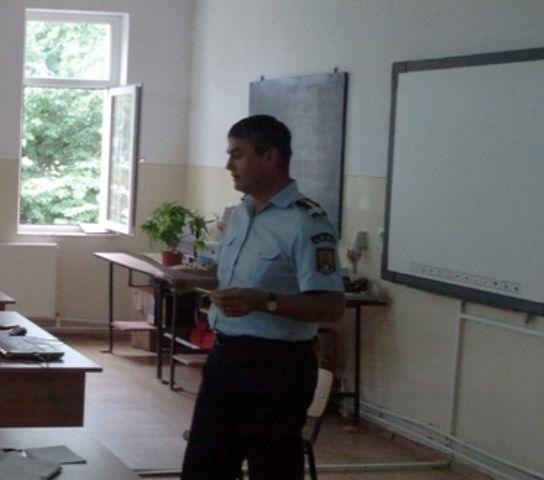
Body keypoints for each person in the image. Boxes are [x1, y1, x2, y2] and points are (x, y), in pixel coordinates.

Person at [181, 115, 345, 480]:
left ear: (270, 157)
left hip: (277, 368)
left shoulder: (306, 222)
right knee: (204, 466)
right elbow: (230, 274)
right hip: (226, 358)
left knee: (272, 468)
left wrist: (264, 301)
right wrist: (193, 279)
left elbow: (332, 306)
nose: (229, 165)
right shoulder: (241, 212)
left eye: (237, 155)